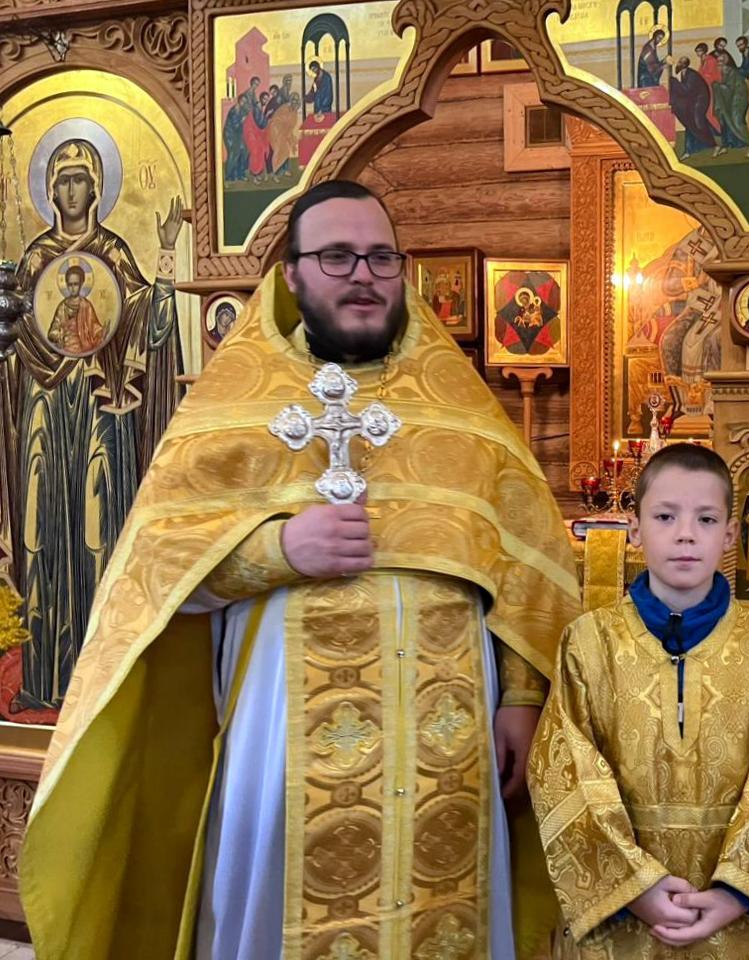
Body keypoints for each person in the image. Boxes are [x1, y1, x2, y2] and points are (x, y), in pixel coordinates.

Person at [19, 180, 581, 960]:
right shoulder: (233, 405)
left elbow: (525, 561)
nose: (363, 275)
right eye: (337, 256)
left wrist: (521, 696)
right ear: (291, 275)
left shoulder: (460, 406)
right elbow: (153, 580)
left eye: (381, 257)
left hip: (451, 744)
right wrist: (280, 552)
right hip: (282, 736)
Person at [529, 444, 749, 959]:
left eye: (705, 519)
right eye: (665, 517)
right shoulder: (588, 641)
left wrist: (737, 892)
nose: (685, 534)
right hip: (621, 916)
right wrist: (634, 887)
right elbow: (562, 772)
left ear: (729, 535)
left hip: (735, 916)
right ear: (635, 529)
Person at [0, 137, 184, 712]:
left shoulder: (114, 253)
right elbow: (13, 334)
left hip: (103, 406)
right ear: (49, 191)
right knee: (39, 530)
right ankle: (42, 678)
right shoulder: (33, 259)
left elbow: (150, 324)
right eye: (62, 181)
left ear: (97, 189)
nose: (72, 190)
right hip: (44, 406)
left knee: (99, 529)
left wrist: (167, 255)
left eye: (81, 179)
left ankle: (103, 676)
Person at [667, 55, 719, 158]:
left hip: (700, 101)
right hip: (693, 101)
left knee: (698, 123)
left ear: (684, 65)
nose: (678, 64)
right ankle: (689, 150)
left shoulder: (692, 75)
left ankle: (714, 145)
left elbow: (686, 90)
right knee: (689, 123)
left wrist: (674, 82)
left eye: (680, 63)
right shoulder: (684, 73)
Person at [47, 264, 105, 355]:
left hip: (84, 347)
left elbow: (95, 327)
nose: (73, 288)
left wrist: (101, 332)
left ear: (81, 284)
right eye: (70, 284)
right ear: (66, 285)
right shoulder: (63, 307)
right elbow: (53, 330)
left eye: (76, 284)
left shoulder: (86, 306)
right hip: (65, 347)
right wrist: (58, 335)